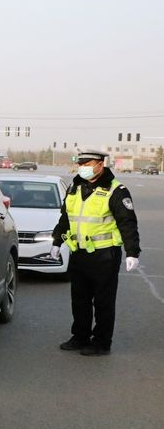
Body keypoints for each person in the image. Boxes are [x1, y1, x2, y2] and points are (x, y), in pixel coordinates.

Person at [51, 149, 141, 356]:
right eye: (81, 164)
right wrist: (57, 241)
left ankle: (101, 342)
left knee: (103, 302)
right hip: (79, 254)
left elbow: (127, 223)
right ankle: (80, 337)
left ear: (100, 165)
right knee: (79, 300)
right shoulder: (74, 188)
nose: (83, 168)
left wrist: (132, 252)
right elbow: (66, 218)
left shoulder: (116, 190)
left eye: (88, 164)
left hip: (104, 255)